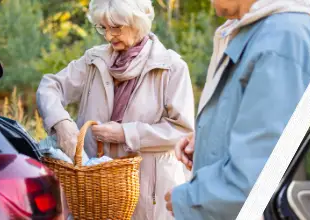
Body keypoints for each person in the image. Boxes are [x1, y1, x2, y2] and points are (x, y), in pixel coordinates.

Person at [164, 0, 310, 218]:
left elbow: (258, 174)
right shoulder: (260, 32)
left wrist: (188, 199)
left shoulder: (282, 41)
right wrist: (207, 140)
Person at [35, 0, 193, 219]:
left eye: (116, 27)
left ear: (137, 22)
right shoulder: (94, 60)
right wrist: (61, 124)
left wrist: (125, 133)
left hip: (148, 197)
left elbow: (182, 130)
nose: (108, 36)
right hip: (94, 197)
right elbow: (50, 86)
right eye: (103, 28)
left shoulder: (172, 68)